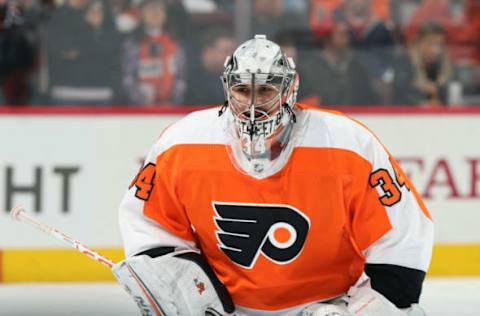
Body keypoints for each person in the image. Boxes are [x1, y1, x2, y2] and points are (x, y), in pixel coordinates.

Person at [113, 35, 433, 316]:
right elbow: (149, 224)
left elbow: (401, 238)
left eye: (265, 90)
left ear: (290, 88)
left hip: (330, 305)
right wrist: (182, 288)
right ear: (227, 88)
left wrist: (361, 310)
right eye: (243, 89)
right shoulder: (182, 143)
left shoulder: (348, 144)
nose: (253, 105)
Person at [392, 21, 455, 106]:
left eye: (440, 44)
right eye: (430, 43)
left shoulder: (443, 65)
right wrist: (420, 89)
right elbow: (399, 94)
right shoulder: (404, 62)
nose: (435, 50)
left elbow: (449, 92)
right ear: (419, 42)